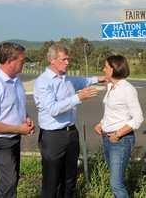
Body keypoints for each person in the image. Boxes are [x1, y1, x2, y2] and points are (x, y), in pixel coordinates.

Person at [33, 43, 105, 198]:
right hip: (53, 137)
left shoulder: (66, 79)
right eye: (64, 59)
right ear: (52, 60)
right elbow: (53, 109)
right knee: (52, 181)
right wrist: (78, 97)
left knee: (70, 178)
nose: (68, 62)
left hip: (71, 133)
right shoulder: (43, 82)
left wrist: (102, 78)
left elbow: (83, 81)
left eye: (68, 59)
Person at [0, 42, 35, 198]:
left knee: (10, 182)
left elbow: (16, 106)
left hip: (13, 138)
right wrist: (19, 129)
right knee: (9, 183)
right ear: (9, 61)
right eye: (22, 60)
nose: (24, 63)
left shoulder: (15, 80)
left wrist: (26, 118)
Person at [94, 55, 144, 198]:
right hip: (107, 138)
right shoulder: (111, 86)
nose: (103, 69)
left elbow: (138, 118)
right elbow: (112, 112)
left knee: (116, 184)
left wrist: (118, 134)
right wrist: (101, 124)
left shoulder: (127, 89)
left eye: (106, 67)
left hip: (120, 140)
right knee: (116, 182)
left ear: (114, 69)